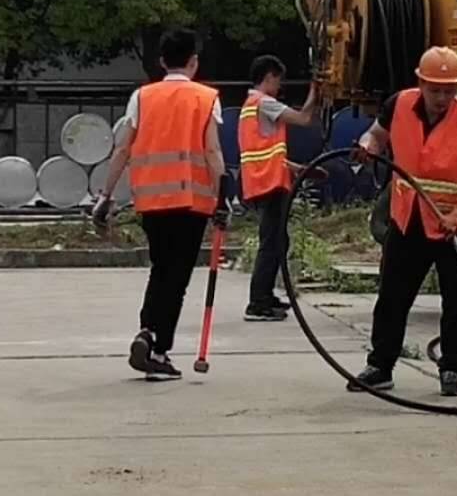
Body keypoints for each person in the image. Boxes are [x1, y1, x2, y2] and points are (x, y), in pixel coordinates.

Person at [347, 46, 457, 397]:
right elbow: (376, 135)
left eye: (449, 91)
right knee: (392, 297)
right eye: (435, 90)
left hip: (452, 228)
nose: (442, 98)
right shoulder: (398, 105)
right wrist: (367, 145)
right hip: (408, 220)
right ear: (421, 83)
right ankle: (380, 366)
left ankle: (452, 370)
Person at [93, 28, 225, 379]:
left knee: (160, 268)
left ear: (162, 61)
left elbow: (123, 148)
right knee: (176, 277)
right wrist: (222, 195)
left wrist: (105, 196)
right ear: (194, 62)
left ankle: (148, 333)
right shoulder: (206, 97)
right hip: (191, 202)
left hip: (150, 201)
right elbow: (211, 150)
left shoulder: (142, 96)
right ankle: (157, 346)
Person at [239, 55, 318, 321]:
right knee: (272, 242)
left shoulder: (250, 105)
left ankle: (266, 294)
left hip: (263, 180)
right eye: (278, 79)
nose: (280, 85)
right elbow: (304, 118)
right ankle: (258, 303)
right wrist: (317, 89)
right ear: (269, 76)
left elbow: (267, 152)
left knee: (277, 240)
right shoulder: (266, 103)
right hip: (269, 183)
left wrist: (296, 167)